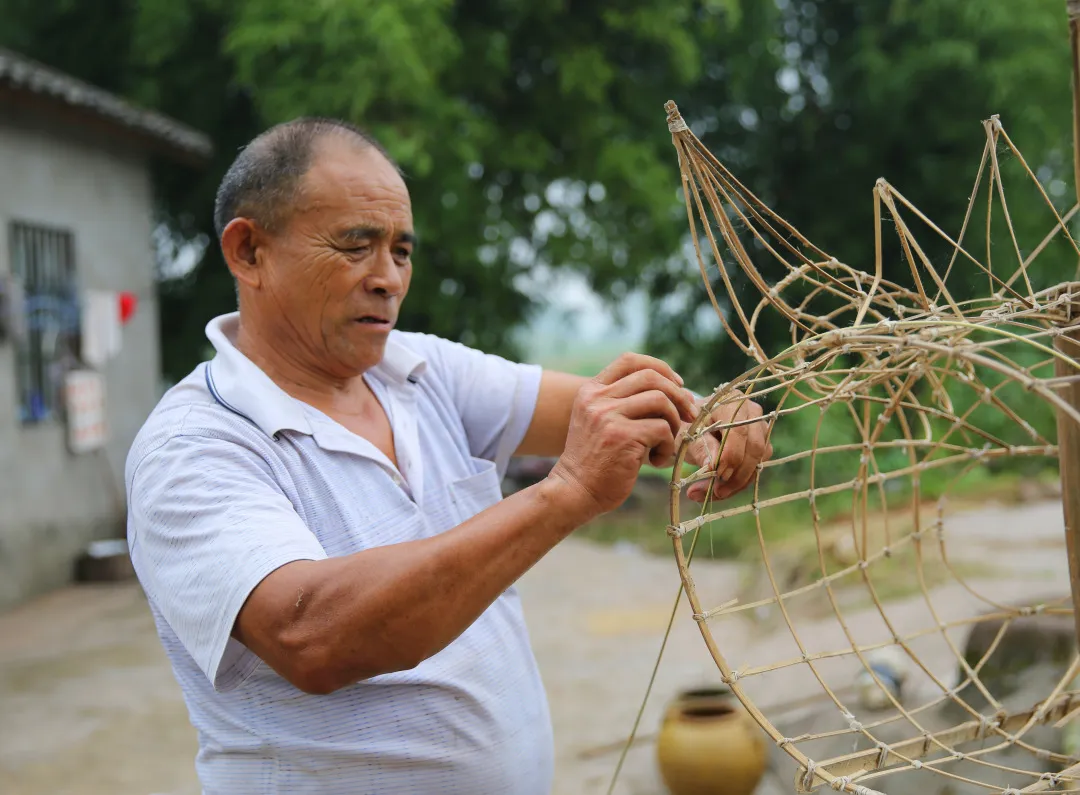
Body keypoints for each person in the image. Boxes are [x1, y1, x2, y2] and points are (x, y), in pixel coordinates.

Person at [126, 117, 772, 794]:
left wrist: (706, 414)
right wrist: (568, 490)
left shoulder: (421, 371)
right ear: (249, 251)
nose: (388, 279)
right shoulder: (193, 446)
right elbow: (311, 635)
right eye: (355, 246)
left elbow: (602, 408)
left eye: (401, 251)